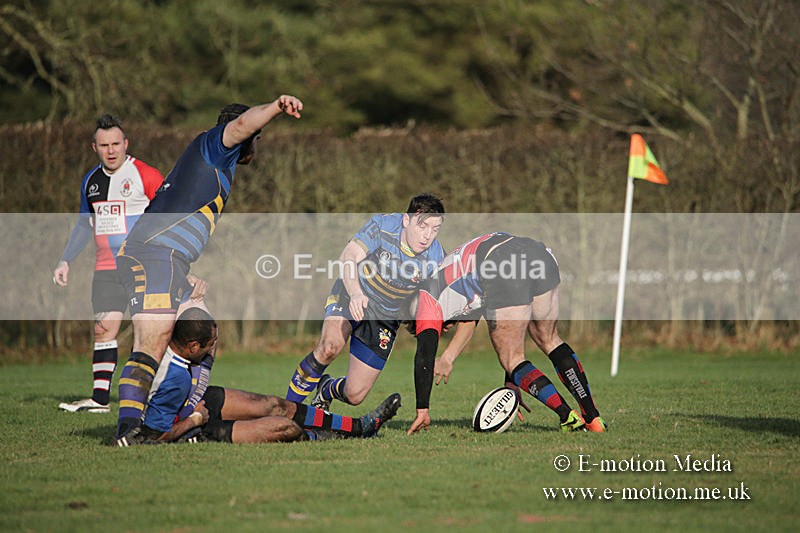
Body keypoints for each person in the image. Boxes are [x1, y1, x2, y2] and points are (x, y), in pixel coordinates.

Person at [113, 95, 304, 444]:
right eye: (257, 138)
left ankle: (178, 414)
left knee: (206, 328)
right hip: (155, 255)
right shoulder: (215, 146)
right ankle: (129, 432)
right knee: (151, 342)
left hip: (167, 260)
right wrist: (276, 107)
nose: (256, 145)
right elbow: (243, 125)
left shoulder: (216, 162)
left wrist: (181, 272)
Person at [406, 232, 607, 434]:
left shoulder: (425, 303)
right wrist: (513, 382)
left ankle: (569, 417)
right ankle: (593, 417)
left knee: (512, 358)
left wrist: (422, 410)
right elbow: (472, 319)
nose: (444, 329)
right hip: (537, 253)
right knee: (550, 340)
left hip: (501, 261)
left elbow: (425, 355)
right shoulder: (451, 278)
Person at [120, 308, 401, 445]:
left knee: (275, 405)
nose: (215, 346)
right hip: (191, 427)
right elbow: (154, 438)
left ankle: (361, 427)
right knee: (284, 427)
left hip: (197, 402)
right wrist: (195, 419)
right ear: (194, 346)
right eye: (212, 342)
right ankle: (321, 437)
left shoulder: (186, 349)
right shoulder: (173, 380)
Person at [285, 194, 445, 411]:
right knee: (329, 347)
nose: (427, 236)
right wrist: (356, 293)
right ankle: (285, 411)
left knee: (354, 394)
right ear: (406, 221)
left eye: (434, 229)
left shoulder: (436, 258)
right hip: (351, 294)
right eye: (423, 226)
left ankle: (327, 389)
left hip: (385, 317)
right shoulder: (384, 225)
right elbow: (348, 256)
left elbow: (435, 299)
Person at [54, 114, 166, 413]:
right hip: (105, 268)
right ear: (95, 148)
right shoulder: (91, 182)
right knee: (103, 329)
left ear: (126, 144)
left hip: (142, 266)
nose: (111, 150)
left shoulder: (145, 174)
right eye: (104, 145)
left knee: (148, 332)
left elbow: (171, 214)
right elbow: (82, 225)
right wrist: (65, 260)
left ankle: (155, 396)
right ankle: (99, 400)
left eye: (116, 143)